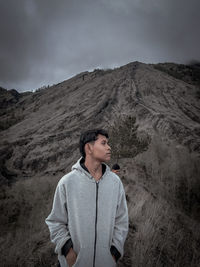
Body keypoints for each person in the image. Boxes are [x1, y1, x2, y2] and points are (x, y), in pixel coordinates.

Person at [45, 129, 129, 267]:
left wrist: (114, 254)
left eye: (108, 143)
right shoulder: (67, 182)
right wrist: (68, 252)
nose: (109, 147)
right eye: (103, 143)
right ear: (89, 148)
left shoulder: (115, 183)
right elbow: (55, 221)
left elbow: (122, 222)